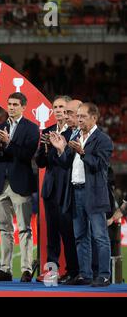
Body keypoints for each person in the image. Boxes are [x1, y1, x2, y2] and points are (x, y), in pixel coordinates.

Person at [50, 102, 113, 287]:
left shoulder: (103, 139)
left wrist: (83, 152)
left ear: (94, 118)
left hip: (93, 193)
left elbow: (100, 165)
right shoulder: (76, 135)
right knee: (80, 235)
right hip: (75, 191)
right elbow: (66, 163)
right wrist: (61, 149)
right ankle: (85, 274)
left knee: (100, 236)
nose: (78, 120)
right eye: (78, 116)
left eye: (82, 116)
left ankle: (103, 275)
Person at [0, 92, 40, 282]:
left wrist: (9, 143)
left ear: (24, 107)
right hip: (1, 184)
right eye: (9, 104)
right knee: (4, 228)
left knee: (25, 228)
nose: (11, 107)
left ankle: (26, 269)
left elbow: (26, 155)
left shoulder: (32, 129)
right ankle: (5, 269)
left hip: (20, 183)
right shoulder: (0, 127)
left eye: (15, 104)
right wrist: (0, 147)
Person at [35, 96, 79, 284]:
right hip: (51, 188)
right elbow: (40, 162)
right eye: (56, 107)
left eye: (62, 107)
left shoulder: (74, 133)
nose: (59, 110)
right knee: (51, 232)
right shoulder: (48, 131)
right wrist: (45, 148)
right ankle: (51, 271)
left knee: (68, 233)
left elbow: (69, 163)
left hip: (68, 188)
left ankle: (73, 271)